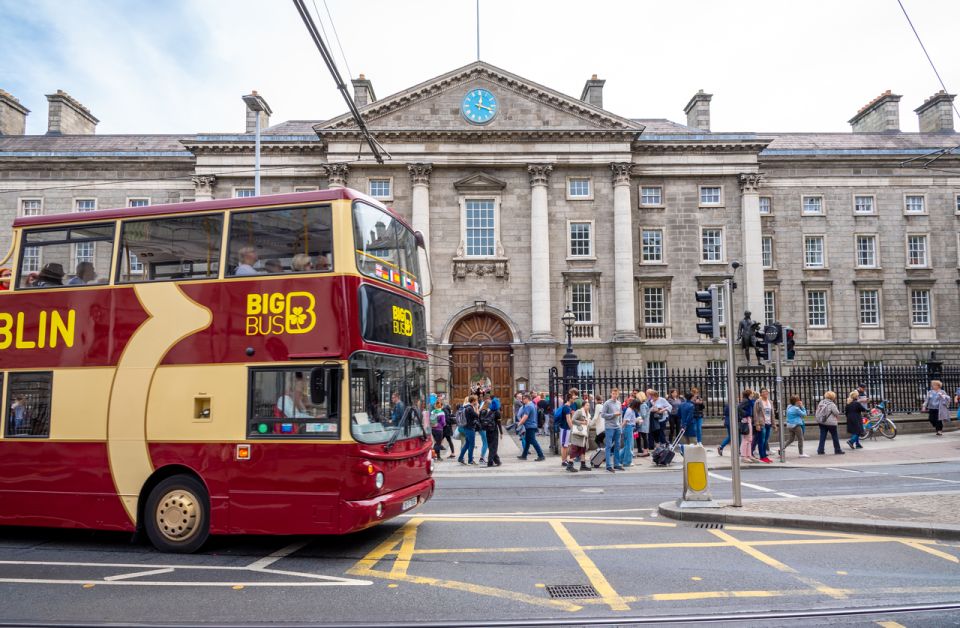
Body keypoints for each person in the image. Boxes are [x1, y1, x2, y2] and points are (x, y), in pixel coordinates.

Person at [516, 393, 545, 461]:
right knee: (528, 441)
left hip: (529, 426)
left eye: (523, 399)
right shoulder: (533, 404)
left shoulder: (528, 406)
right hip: (532, 425)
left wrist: (519, 423)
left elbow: (525, 416)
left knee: (533, 441)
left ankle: (541, 455)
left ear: (527, 399)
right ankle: (524, 455)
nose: (522, 400)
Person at [815, 391, 845, 455]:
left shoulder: (821, 402)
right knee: (835, 436)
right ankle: (837, 450)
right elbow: (836, 413)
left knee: (822, 436)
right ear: (832, 397)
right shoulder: (832, 404)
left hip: (822, 421)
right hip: (831, 423)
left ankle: (820, 450)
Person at [567, 399, 593, 472]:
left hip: (583, 434)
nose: (588, 406)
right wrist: (582, 422)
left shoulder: (587, 413)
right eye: (587, 405)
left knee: (583, 449)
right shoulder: (579, 412)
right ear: (583, 406)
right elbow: (573, 420)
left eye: (589, 405)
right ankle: (570, 465)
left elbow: (588, 423)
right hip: (577, 434)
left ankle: (583, 465)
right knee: (574, 449)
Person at [601, 388, 624, 473]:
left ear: (618, 394)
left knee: (617, 446)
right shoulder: (607, 403)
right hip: (609, 427)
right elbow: (603, 415)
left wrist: (620, 426)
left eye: (616, 394)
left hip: (617, 427)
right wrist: (613, 414)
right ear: (611, 394)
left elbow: (620, 415)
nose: (614, 395)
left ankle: (617, 464)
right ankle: (608, 466)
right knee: (609, 446)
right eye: (613, 393)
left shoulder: (619, 403)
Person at [752, 388, 775, 463]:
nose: (765, 393)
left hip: (768, 423)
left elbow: (772, 414)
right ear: (761, 393)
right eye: (763, 392)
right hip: (762, 424)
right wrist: (757, 424)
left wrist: (774, 424)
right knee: (761, 440)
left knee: (766, 441)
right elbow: (755, 414)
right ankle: (762, 456)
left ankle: (765, 455)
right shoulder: (758, 402)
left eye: (766, 392)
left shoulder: (770, 402)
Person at [458, 395, 480, 465]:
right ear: (473, 401)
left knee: (467, 444)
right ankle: (470, 460)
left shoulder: (467, 407)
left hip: (467, 427)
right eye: (476, 400)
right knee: (471, 445)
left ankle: (460, 458)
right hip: (470, 428)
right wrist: (476, 408)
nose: (477, 401)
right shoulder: (470, 408)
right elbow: (477, 415)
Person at [481, 395, 502, 467]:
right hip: (494, 430)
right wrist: (501, 432)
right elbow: (499, 423)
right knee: (494, 446)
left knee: (491, 446)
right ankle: (490, 462)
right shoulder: (497, 412)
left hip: (488, 430)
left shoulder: (490, 411)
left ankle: (497, 460)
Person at [619, 397, 639, 468]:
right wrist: (621, 428)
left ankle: (620, 459)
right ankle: (627, 462)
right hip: (628, 428)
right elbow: (625, 421)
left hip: (629, 428)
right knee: (629, 446)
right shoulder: (630, 411)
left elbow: (629, 420)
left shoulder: (630, 410)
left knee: (627, 446)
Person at [558, 393, 575, 469]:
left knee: (566, 445)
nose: (574, 399)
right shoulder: (567, 408)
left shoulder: (567, 407)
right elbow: (568, 420)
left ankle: (565, 460)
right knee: (564, 446)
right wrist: (572, 428)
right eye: (573, 398)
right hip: (565, 428)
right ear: (570, 398)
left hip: (565, 428)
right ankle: (563, 461)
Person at [440, 395, 456, 459]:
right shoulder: (447, 409)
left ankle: (436, 454)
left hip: (445, 428)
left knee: (439, 441)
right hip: (447, 427)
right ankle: (452, 453)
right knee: (448, 440)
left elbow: (446, 419)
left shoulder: (444, 410)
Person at [636, 391, 651, 457]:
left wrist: (637, 417)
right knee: (641, 437)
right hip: (644, 424)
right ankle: (645, 450)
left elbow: (643, 415)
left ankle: (645, 451)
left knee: (644, 437)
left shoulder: (642, 405)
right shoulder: (644, 404)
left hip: (642, 424)